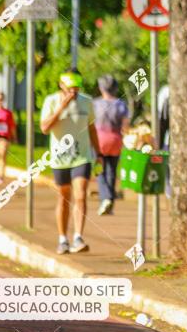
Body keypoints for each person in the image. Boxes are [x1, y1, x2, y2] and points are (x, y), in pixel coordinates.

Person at [40, 69, 102, 254]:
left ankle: (78, 237)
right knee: (64, 197)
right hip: (60, 158)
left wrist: (99, 153)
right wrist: (61, 107)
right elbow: (44, 128)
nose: (73, 92)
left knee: (81, 194)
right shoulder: (51, 101)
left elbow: (92, 129)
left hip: (82, 157)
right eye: (70, 89)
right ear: (62, 85)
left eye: (76, 88)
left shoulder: (87, 102)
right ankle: (62, 239)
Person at [93, 75, 130, 215]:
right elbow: (125, 126)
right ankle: (110, 203)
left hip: (98, 141)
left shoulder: (95, 103)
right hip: (115, 140)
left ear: (101, 88)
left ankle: (106, 197)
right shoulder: (121, 104)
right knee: (112, 172)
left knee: (98, 170)